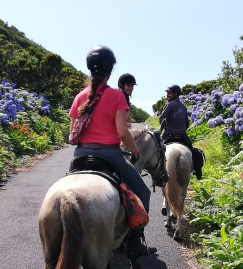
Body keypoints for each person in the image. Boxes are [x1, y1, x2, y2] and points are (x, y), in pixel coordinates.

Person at [70, 46, 156, 257]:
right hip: (109, 154)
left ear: (90, 68)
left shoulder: (79, 96)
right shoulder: (116, 97)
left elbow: (72, 133)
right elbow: (122, 133)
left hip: (80, 155)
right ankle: (135, 241)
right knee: (142, 192)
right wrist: (135, 151)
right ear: (111, 70)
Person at [159, 84, 204, 179]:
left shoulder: (169, 105)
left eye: (169, 93)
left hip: (168, 135)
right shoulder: (184, 107)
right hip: (183, 136)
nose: (168, 94)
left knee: (158, 152)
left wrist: (163, 128)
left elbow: (162, 119)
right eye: (167, 92)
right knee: (193, 152)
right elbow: (187, 123)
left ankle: (158, 173)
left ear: (176, 94)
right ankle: (197, 171)